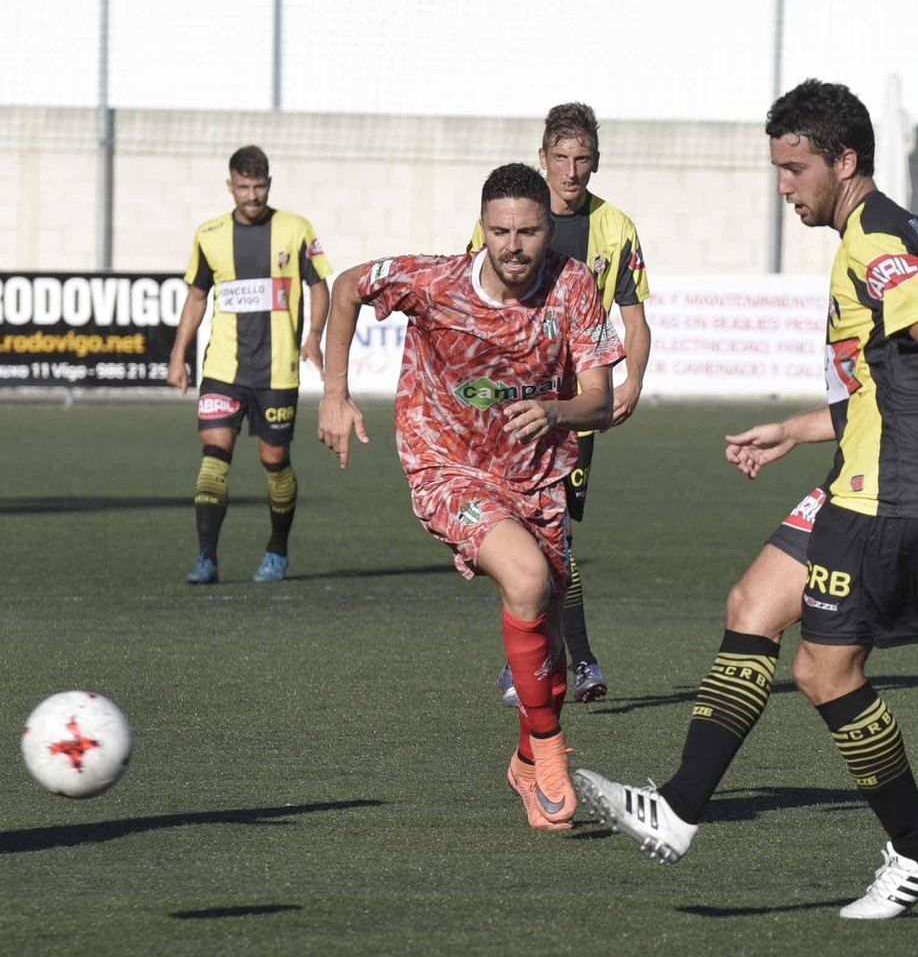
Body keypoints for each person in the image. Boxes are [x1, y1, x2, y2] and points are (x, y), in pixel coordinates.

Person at [572, 79, 918, 918]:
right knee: (754, 600)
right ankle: (677, 808)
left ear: (844, 160)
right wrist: (794, 428)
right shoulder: (899, 232)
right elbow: (897, 385)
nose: (784, 185)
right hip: (860, 470)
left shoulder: (874, 241)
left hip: (894, 492)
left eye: (794, 167)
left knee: (824, 671)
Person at [319, 163, 625, 831]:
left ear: (550, 228)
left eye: (528, 231)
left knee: (548, 643)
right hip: (446, 467)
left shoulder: (573, 286)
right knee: (527, 576)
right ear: (481, 229)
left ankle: (524, 763)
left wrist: (557, 410)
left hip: (536, 477)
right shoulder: (435, 282)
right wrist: (335, 393)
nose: (514, 246)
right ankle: (550, 759)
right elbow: (346, 289)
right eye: (500, 231)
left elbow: (601, 399)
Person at [479, 104, 650, 706]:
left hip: (576, 405)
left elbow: (635, 320)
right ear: (543, 156)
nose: (572, 171)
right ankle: (570, 660)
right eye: (561, 158)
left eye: (582, 159)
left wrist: (629, 383)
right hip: (515, 402)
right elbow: (477, 307)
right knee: (527, 535)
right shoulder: (511, 220)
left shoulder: (616, 228)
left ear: (595, 161)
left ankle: (549, 660)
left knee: (556, 536)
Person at [167, 146, 333, 584]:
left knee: (274, 461)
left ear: (269, 184)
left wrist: (314, 335)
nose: (252, 195)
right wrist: (178, 353)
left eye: (259, 186)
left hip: (277, 371)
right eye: (244, 186)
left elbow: (319, 286)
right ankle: (206, 559)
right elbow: (197, 296)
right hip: (223, 369)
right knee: (214, 458)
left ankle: (277, 551)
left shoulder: (295, 230)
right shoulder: (210, 234)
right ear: (230, 186)